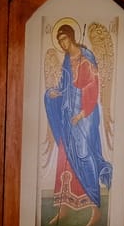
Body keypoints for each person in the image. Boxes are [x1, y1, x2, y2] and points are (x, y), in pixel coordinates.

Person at [44, 21, 110, 213]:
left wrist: (81, 114)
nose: (62, 43)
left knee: (84, 155)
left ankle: (95, 206)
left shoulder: (86, 57)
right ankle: (64, 208)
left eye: (64, 38)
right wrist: (56, 93)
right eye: (59, 40)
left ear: (71, 37)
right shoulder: (67, 59)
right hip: (68, 113)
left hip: (85, 115)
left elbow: (92, 88)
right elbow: (66, 86)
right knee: (66, 155)